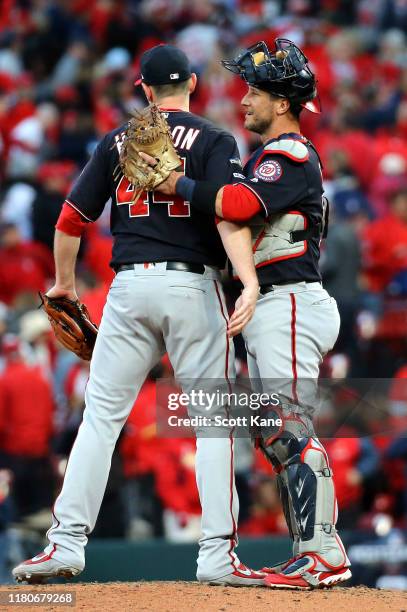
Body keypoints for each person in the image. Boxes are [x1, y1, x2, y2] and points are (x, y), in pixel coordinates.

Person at [12, 45, 263, 586]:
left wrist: (63, 286)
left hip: (128, 285)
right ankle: (216, 555)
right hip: (193, 285)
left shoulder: (115, 141)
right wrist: (246, 278)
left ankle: (64, 544)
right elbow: (230, 213)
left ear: (144, 89)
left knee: (101, 419)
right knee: (212, 426)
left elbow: (70, 220)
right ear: (192, 84)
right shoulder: (217, 139)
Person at [141, 39, 352, 590]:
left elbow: (236, 205)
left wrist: (175, 184)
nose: (244, 100)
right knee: (275, 433)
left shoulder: (291, 154)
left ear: (282, 102)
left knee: (289, 428)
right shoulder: (271, 155)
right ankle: (311, 551)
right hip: (278, 304)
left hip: (289, 301)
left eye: (254, 90)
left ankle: (323, 553)